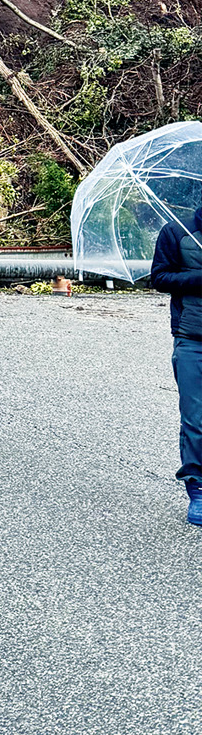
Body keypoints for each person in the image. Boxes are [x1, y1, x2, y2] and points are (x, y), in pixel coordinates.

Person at [149, 204, 202, 527]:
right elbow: (159, 277)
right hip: (192, 338)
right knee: (196, 418)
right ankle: (197, 488)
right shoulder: (176, 232)